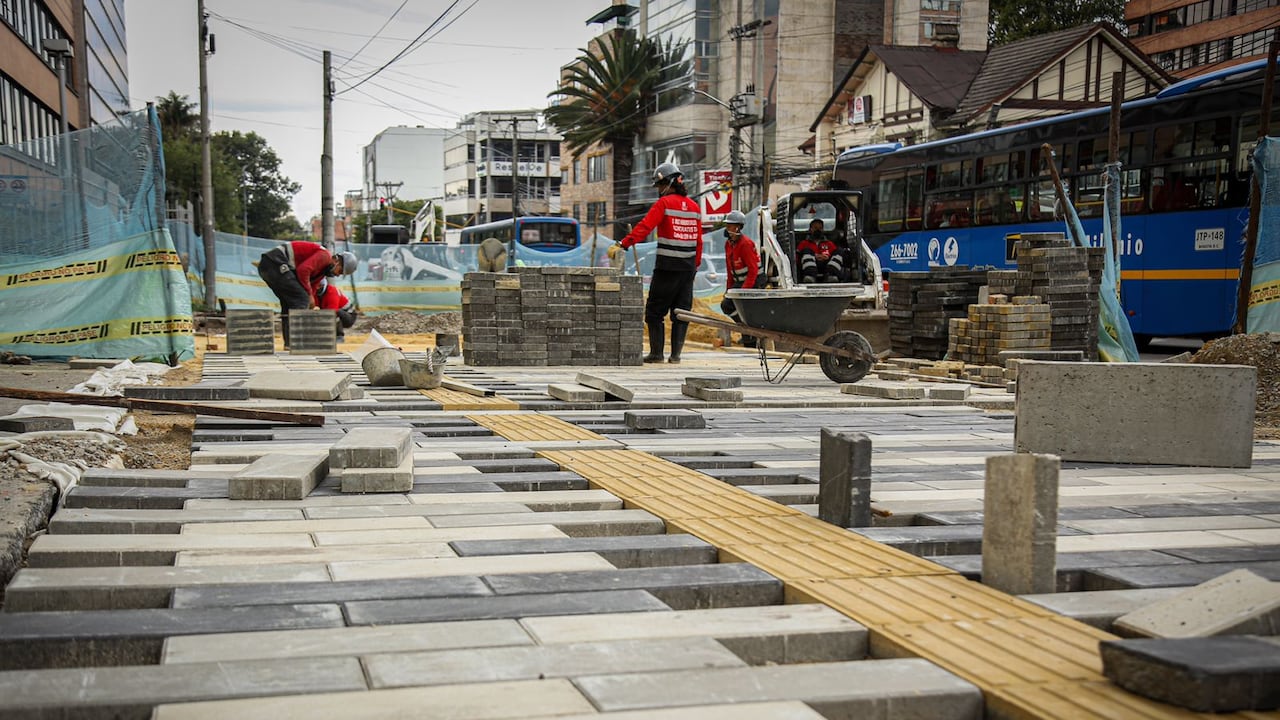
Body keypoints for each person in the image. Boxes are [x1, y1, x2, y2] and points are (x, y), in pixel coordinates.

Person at [619, 161, 702, 363]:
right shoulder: (694, 207)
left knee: (655, 311)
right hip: (688, 268)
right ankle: (675, 356)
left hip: (667, 268)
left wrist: (624, 243)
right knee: (681, 312)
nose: (659, 190)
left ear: (669, 182)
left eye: (659, 185)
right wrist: (694, 266)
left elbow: (646, 226)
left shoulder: (664, 204)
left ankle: (657, 354)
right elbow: (699, 241)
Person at [257, 241, 357, 342]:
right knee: (301, 299)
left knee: (289, 303)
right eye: (339, 271)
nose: (337, 275)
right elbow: (303, 270)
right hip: (275, 262)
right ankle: (298, 342)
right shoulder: (325, 256)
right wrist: (308, 297)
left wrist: (311, 305)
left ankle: (289, 344)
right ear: (337, 261)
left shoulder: (321, 272)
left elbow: (311, 287)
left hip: (270, 264)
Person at [719, 210, 761, 347]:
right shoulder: (728, 244)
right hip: (740, 282)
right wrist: (728, 290)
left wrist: (743, 292)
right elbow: (730, 271)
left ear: (738, 227)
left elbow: (753, 271)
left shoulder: (746, 244)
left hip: (754, 282)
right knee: (727, 305)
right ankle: (745, 330)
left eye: (730, 226)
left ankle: (748, 333)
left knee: (731, 305)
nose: (727, 229)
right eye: (727, 226)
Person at [797, 218, 838, 284]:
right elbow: (797, 258)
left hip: (827, 265)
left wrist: (827, 257)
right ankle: (810, 276)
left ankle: (831, 276)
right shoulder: (803, 243)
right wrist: (814, 256)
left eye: (820, 228)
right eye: (815, 228)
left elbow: (835, 254)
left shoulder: (829, 244)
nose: (818, 230)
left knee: (839, 251)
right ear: (811, 229)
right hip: (809, 267)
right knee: (806, 251)